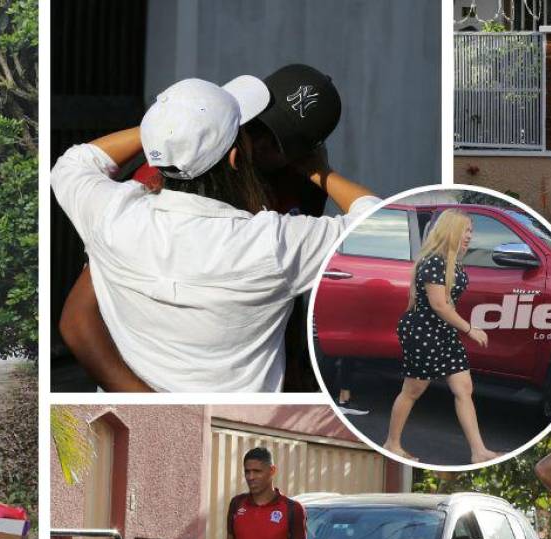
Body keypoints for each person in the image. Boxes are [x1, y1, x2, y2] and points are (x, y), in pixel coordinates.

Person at [50, 73, 379, 392]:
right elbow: (379, 225)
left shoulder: (116, 212)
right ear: (237, 156)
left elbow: (75, 164)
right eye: (251, 130)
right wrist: (320, 171)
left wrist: (171, 127)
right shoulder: (273, 242)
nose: (262, 145)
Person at [382, 210, 498, 464]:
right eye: (465, 230)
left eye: (471, 231)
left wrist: (458, 328)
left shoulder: (452, 262)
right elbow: (439, 305)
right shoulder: (435, 261)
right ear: (450, 230)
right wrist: (469, 329)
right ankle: (392, 442)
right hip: (423, 331)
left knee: (464, 388)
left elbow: (448, 305)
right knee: (413, 389)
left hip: (443, 331)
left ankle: (479, 451)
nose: (469, 235)